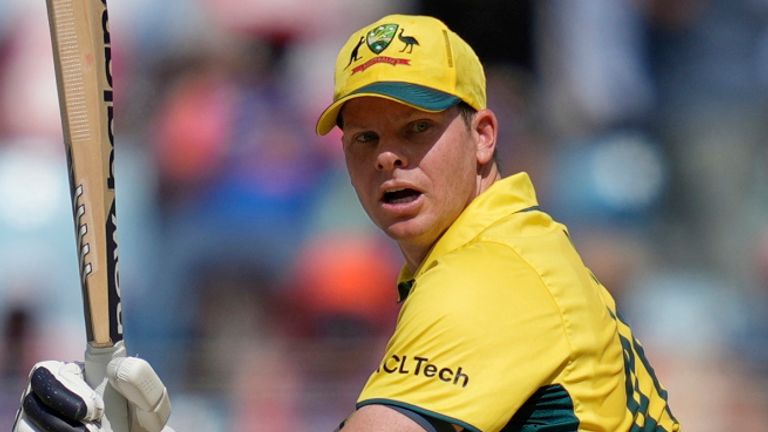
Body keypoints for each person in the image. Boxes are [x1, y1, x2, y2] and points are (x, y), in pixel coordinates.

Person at [13, 13, 679, 432]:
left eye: (417, 129)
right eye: (364, 139)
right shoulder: (505, 244)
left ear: (483, 135)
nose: (389, 156)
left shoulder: (488, 276)